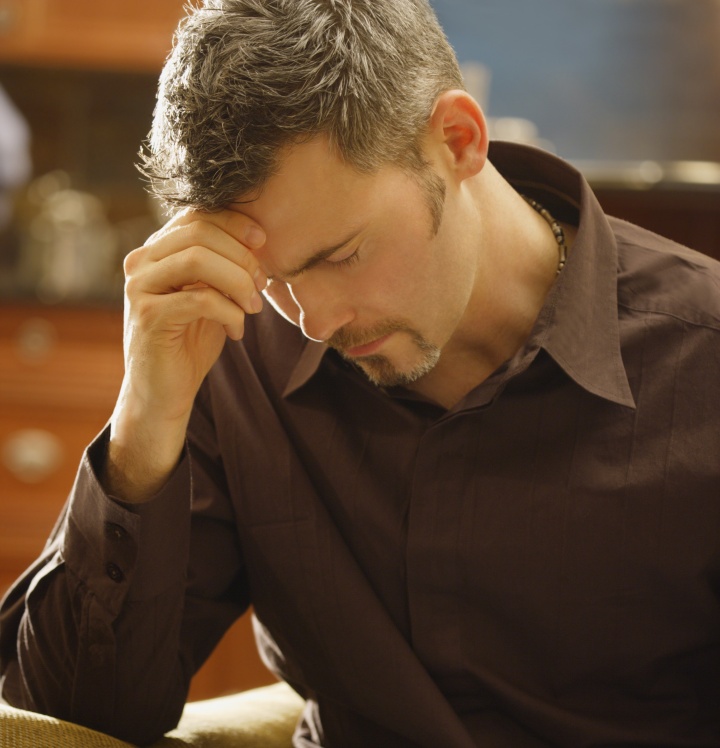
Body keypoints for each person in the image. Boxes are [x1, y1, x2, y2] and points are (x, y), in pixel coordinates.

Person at [1, 0, 719, 745]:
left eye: (341, 256)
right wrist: (144, 427)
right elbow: (61, 719)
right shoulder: (237, 347)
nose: (313, 320)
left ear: (458, 139)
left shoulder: (705, 370)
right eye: (275, 278)